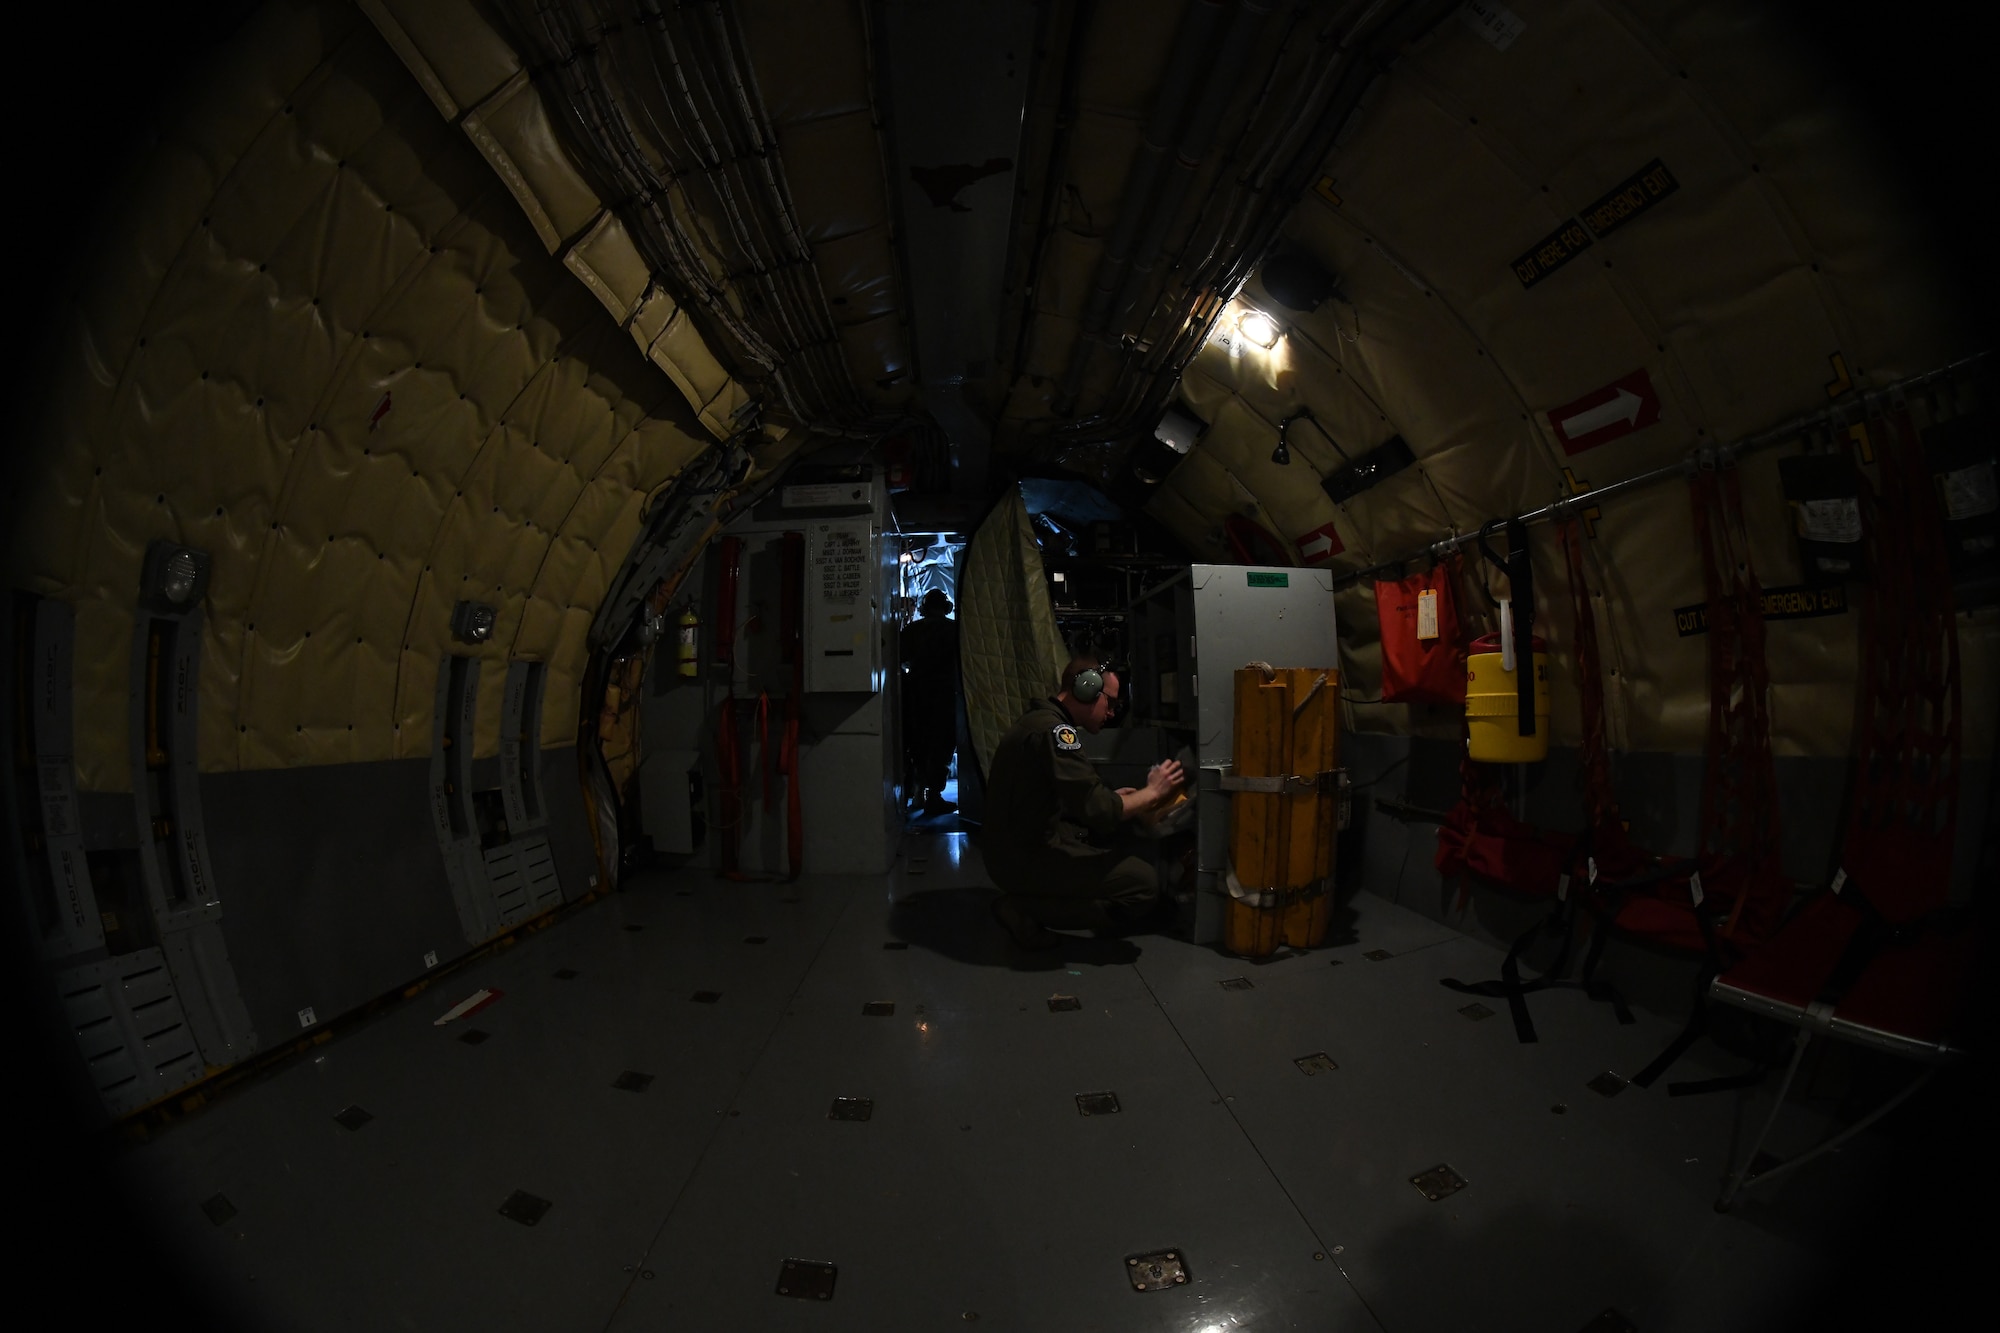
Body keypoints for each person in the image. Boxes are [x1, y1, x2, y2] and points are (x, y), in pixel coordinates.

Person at [981, 656, 1186, 949]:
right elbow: (1099, 810)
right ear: (1086, 691)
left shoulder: (1040, 721)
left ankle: (1033, 899)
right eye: (1111, 703)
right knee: (1142, 885)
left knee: (1096, 841)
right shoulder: (1056, 733)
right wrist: (1153, 792)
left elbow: (1072, 795)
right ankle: (1023, 909)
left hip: (1013, 847)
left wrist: (1117, 798)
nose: (1113, 713)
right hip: (1021, 857)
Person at [899, 588, 961, 817]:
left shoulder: (912, 630)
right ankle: (933, 795)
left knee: (918, 744)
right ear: (946, 607)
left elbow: (900, 658)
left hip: (918, 695)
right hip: (946, 695)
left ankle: (916, 792)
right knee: (942, 746)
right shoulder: (955, 630)